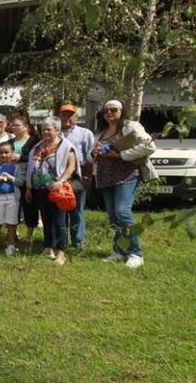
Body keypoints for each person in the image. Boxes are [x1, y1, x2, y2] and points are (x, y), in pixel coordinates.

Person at [88, 99, 157, 269]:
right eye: (106, 111)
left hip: (127, 175)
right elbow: (90, 158)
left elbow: (149, 146)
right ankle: (119, 250)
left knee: (122, 212)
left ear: (121, 111)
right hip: (106, 177)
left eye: (113, 109)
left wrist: (121, 155)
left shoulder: (131, 126)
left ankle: (135, 253)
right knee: (113, 216)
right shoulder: (100, 133)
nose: (109, 113)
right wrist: (94, 153)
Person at [25, 116, 79, 265]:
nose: (45, 132)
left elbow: (71, 166)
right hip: (39, 188)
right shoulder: (38, 146)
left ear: (57, 130)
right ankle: (48, 247)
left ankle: (61, 252)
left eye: (49, 129)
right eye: (43, 129)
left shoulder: (65, 145)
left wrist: (60, 181)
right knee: (47, 219)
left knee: (60, 221)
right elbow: (31, 167)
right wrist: (29, 187)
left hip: (57, 189)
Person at [58, 103, 95, 250]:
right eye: (63, 114)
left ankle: (78, 242)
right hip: (59, 175)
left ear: (76, 117)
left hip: (78, 176)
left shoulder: (85, 133)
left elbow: (91, 157)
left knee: (76, 209)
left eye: (70, 114)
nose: (67, 117)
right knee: (60, 209)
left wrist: (88, 177)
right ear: (59, 116)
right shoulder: (55, 132)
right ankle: (61, 242)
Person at [0, 141, 23, 257]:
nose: (4, 155)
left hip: (12, 198)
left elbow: (21, 182)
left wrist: (11, 178)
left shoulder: (16, 167)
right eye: (1, 153)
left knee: (12, 223)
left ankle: (11, 246)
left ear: (12, 153)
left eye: (6, 152)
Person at [9, 112, 40, 244]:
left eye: (17, 125)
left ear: (26, 126)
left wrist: (20, 157)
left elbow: (37, 158)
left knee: (29, 205)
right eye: (12, 125)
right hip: (11, 176)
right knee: (13, 205)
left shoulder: (35, 141)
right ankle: (13, 232)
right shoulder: (9, 142)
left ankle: (29, 234)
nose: (14, 128)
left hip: (29, 177)